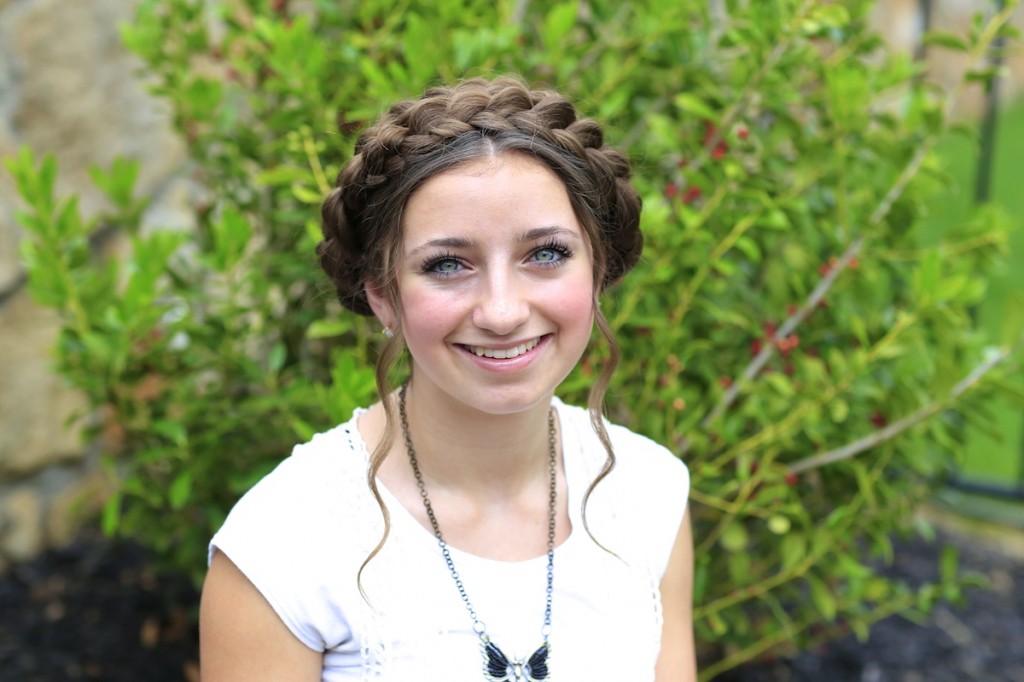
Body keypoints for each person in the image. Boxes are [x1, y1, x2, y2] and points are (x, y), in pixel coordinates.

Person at [199, 76, 696, 681]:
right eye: (447, 264)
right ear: (383, 296)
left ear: (599, 269)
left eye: (545, 254)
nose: (503, 311)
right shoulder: (283, 547)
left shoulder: (647, 493)